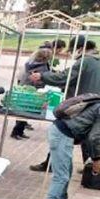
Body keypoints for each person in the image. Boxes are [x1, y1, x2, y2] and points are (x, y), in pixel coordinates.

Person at [29, 37, 100, 172]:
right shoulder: (97, 61)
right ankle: (89, 167)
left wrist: (43, 76)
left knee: (64, 130)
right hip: (95, 105)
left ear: (80, 48)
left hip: (82, 105)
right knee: (90, 136)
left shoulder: (85, 61)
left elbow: (66, 77)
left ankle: (51, 163)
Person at [36, 102, 100, 199]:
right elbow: (94, 137)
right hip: (62, 134)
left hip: (63, 133)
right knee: (62, 176)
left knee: (66, 173)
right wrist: (97, 159)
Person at [11, 48, 53, 140]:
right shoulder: (42, 66)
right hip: (32, 90)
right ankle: (16, 132)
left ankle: (19, 131)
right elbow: (42, 80)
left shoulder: (31, 63)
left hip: (25, 87)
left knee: (23, 110)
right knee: (25, 111)